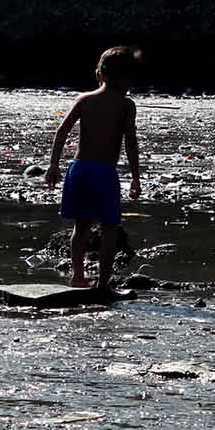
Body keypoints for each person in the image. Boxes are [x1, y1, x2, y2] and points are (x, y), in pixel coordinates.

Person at [44, 46, 142, 289]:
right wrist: (135, 178)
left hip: (79, 170)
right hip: (104, 173)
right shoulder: (126, 105)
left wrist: (53, 165)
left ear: (99, 74)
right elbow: (130, 143)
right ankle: (103, 282)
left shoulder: (84, 99)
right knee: (110, 228)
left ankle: (78, 275)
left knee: (82, 226)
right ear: (128, 79)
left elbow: (61, 132)